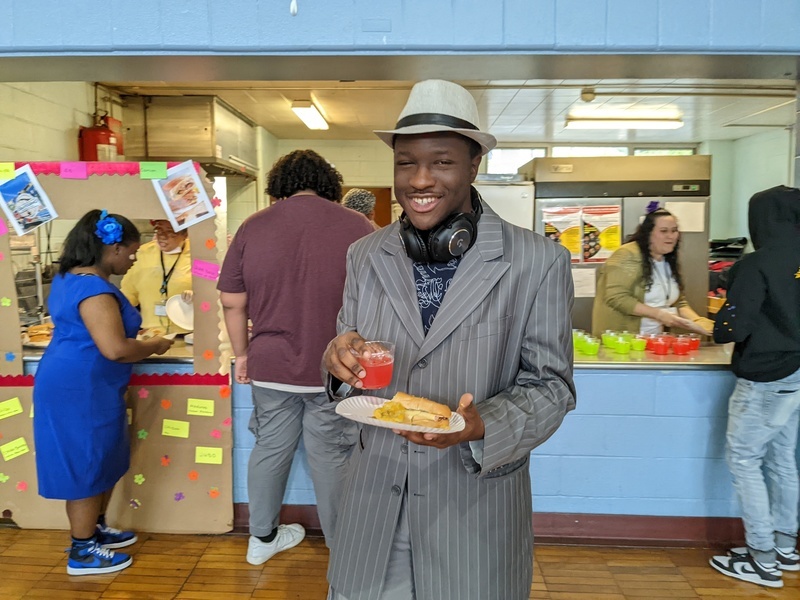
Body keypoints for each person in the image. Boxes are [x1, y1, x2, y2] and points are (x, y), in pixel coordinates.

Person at [323, 79, 576, 600]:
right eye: (405, 162)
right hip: (374, 509)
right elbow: (351, 359)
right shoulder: (364, 255)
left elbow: (552, 387)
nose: (419, 179)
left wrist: (484, 425)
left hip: (473, 514)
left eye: (441, 161)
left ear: (474, 165)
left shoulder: (538, 261)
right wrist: (337, 362)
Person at [217, 149, 374, 566]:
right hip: (337, 367)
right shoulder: (358, 226)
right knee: (332, 456)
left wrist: (242, 355)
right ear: (328, 183)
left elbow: (232, 303)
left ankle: (261, 539)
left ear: (277, 186)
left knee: (270, 448)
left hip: (271, 363)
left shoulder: (252, 226)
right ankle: (343, 548)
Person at [33, 209, 174, 575]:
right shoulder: (93, 289)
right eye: (130, 251)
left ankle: (92, 531)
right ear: (110, 248)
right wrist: (155, 345)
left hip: (84, 382)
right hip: (79, 388)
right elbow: (115, 349)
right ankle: (81, 552)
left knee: (101, 457)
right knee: (84, 463)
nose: (132, 258)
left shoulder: (69, 278)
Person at [709, 185, 800, 589]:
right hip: (797, 374)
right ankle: (785, 546)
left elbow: (732, 327)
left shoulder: (755, 264)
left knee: (745, 462)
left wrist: (720, 323)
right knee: (782, 459)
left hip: (763, 376)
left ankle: (762, 560)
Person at [591, 207, 713, 337]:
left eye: (674, 230)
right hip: (623, 341)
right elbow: (617, 297)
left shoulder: (667, 259)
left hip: (653, 339)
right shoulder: (628, 254)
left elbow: (678, 301)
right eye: (663, 231)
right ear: (648, 233)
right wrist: (659, 315)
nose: (670, 236)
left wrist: (697, 321)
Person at [120, 219, 192, 334]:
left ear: (185, 234)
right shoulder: (144, 252)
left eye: (170, 231)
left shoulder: (199, 254)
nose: (162, 236)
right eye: (159, 230)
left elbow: (212, 290)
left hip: (188, 334)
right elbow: (128, 293)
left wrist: (199, 297)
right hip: (151, 333)